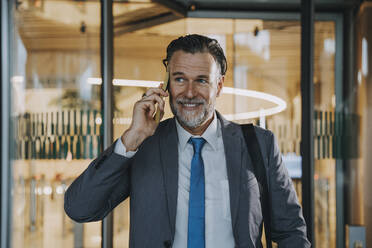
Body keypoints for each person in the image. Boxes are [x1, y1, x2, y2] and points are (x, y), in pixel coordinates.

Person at [64, 34, 311, 248]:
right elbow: (80, 208)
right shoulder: (143, 146)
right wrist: (132, 138)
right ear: (167, 85)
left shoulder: (259, 143)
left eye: (202, 80)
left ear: (219, 85)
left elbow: (290, 231)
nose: (189, 92)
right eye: (180, 79)